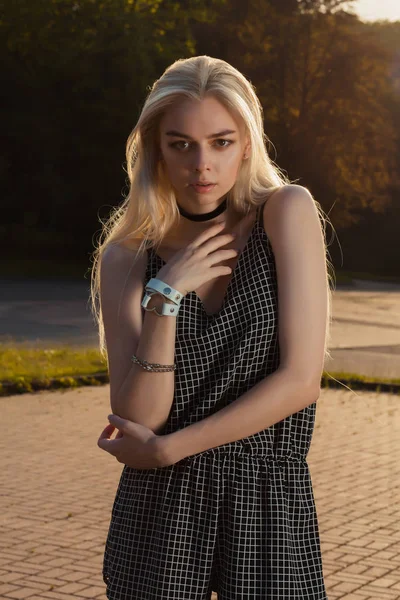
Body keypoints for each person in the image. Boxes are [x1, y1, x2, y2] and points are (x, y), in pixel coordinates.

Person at [91, 55, 332, 600]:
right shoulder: (127, 257)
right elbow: (138, 416)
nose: (202, 164)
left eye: (221, 142)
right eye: (181, 144)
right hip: (159, 511)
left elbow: (301, 381)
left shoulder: (285, 213)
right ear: (156, 148)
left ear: (247, 143)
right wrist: (165, 297)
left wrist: (172, 449)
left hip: (266, 500)